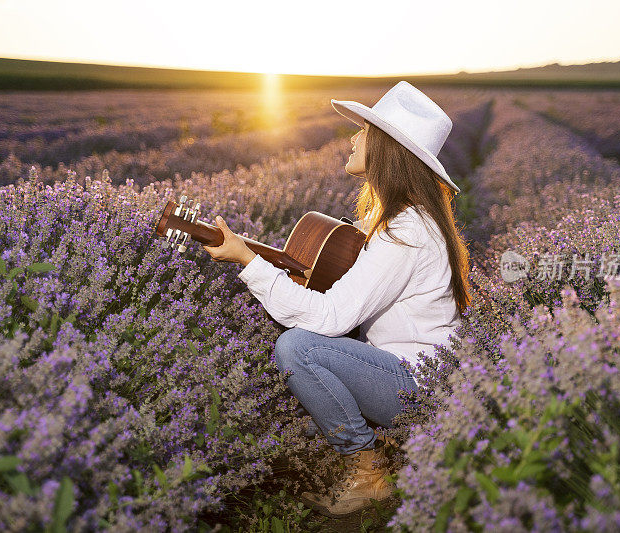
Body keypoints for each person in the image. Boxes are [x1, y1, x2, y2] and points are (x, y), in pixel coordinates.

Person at [201, 81, 472, 517]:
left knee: (297, 347)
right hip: (402, 372)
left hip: (421, 390)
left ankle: (369, 471)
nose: (353, 138)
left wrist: (248, 263)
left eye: (364, 131)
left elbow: (330, 317)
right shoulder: (391, 221)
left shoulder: (405, 231)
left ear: (386, 149)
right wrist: (264, 258)